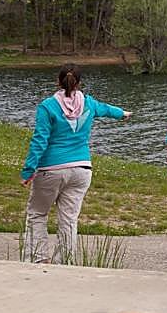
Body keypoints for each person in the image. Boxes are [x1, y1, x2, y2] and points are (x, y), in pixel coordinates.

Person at [19, 64, 131, 264]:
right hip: (81, 170)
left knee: (37, 214)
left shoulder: (47, 107)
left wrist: (28, 171)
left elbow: (40, 140)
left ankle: (38, 260)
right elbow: (106, 109)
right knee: (68, 220)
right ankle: (65, 262)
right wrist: (122, 113)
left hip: (50, 170)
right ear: (79, 83)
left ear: (58, 81)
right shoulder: (88, 103)